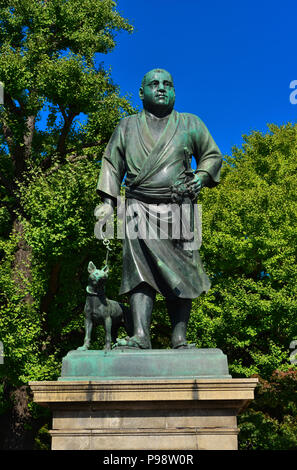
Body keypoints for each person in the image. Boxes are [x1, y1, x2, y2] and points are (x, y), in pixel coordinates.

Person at [95, 68, 222, 349]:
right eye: (154, 84)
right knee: (137, 272)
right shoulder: (126, 126)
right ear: (142, 92)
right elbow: (112, 164)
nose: (161, 88)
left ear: (175, 91)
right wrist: (107, 204)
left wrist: (200, 177)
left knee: (184, 272)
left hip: (180, 207)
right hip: (138, 206)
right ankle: (140, 335)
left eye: (167, 84)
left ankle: (179, 338)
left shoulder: (190, 123)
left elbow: (212, 155)